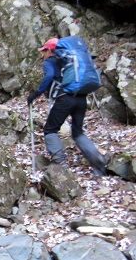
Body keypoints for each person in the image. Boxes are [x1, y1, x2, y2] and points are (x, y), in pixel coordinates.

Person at [27, 37, 107, 176]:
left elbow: (49, 75)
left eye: (44, 51)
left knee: (50, 129)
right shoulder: (67, 61)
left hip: (65, 99)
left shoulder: (49, 62)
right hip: (81, 98)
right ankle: (98, 160)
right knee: (77, 133)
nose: (43, 55)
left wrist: (36, 94)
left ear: (50, 50)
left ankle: (60, 165)